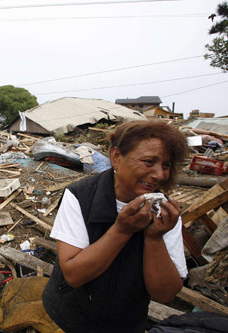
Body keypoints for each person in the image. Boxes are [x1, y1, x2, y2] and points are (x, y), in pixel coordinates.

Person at [42, 120, 189, 333]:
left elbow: (165, 294)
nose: (160, 174)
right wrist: (121, 230)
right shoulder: (80, 197)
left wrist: (155, 238)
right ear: (116, 157)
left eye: (166, 165)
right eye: (149, 162)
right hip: (66, 321)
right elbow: (73, 275)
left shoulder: (163, 213)